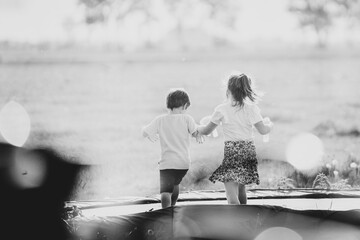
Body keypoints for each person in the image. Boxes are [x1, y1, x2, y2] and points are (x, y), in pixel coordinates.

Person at [198, 72, 273, 205]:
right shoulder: (252, 109)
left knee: (231, 193)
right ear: (246, 91)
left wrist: (196, 128)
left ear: (228, 90)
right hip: (248, 151)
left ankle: (237, 220)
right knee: (241, 189)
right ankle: (244, 218)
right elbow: (263, 130)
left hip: (233, 151)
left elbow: (206, 130)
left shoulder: (222, 109)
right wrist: (270, 125)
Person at [142, 89, 203, 208]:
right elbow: (195, 133)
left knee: (165, 191)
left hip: (167, 163)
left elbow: (145, 132)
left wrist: (150, 134)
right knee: (175, 185)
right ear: (185, 105)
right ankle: (173, 206)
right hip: (183, 163)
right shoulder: (187, 119)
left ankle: (166, 211)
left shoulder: (160, 120)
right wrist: (199, 134)